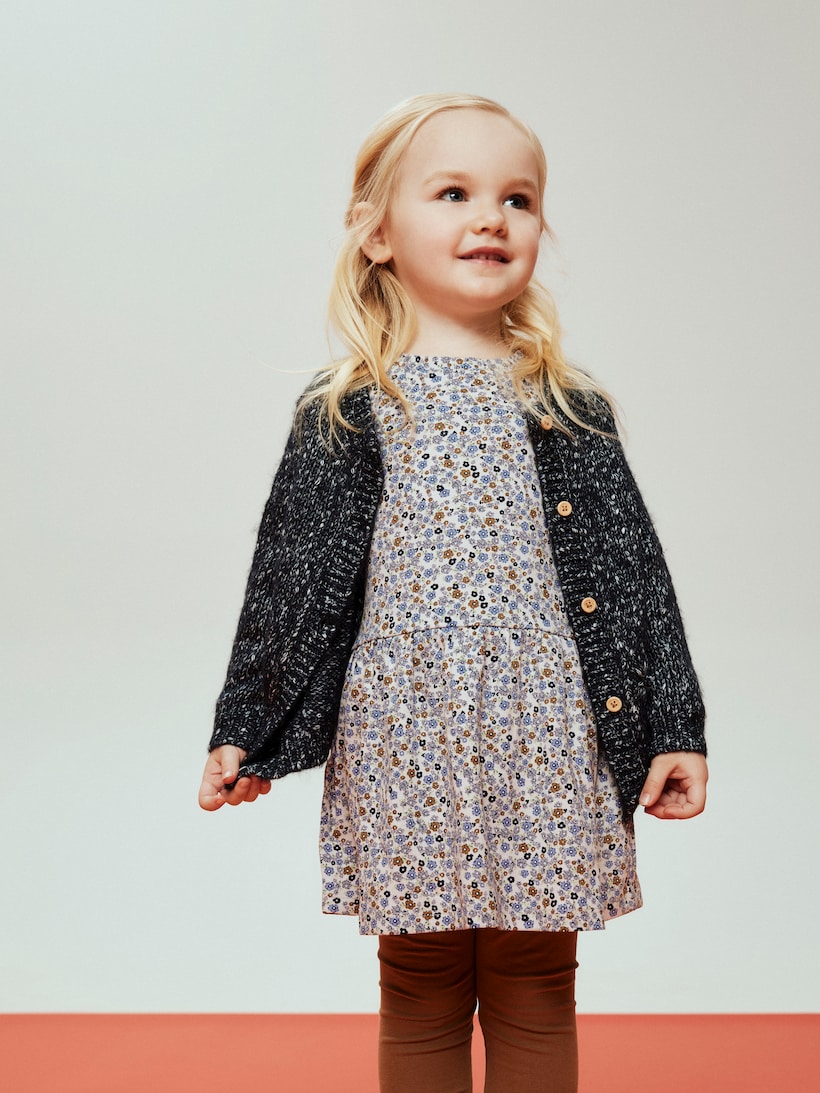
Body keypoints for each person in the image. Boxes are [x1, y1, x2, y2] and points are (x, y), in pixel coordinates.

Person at [197, 92, 708, 1093]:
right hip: (406, 741)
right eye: (453, 194)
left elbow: (636, 577)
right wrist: (245, 724)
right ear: (378, 234)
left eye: (517, 198)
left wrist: (673, 726)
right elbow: (292, 582)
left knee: (537, 983)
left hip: (549, 737)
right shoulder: (350, 408)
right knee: (421, 986)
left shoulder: (569, 406)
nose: (491, 218)